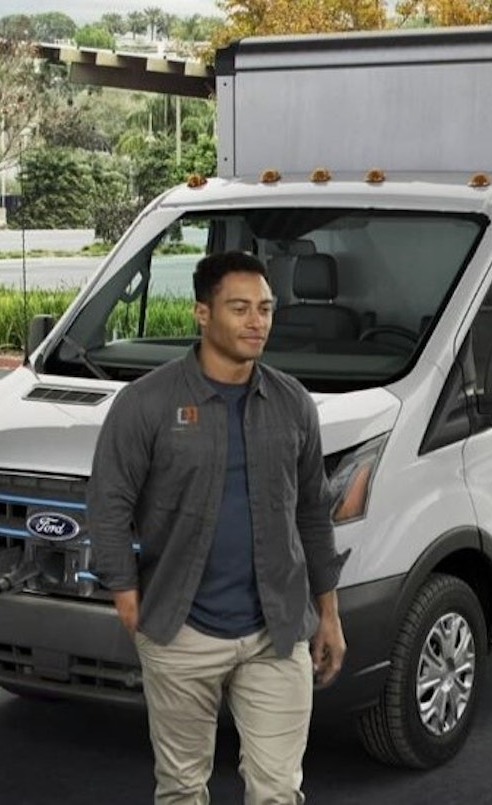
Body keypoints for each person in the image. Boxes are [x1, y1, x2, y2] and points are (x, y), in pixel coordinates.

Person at [87, 250, 348, 805]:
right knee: (182, 788)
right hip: (181, 631)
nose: (257, 322)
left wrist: (328, 614)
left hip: (275, 633)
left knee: (278, 790)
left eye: (266, 309)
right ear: (202, 314)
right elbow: (108, 502)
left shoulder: (293, 403)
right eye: (240, 308)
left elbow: (311, 514)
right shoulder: (147, 403)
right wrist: (127, 596)